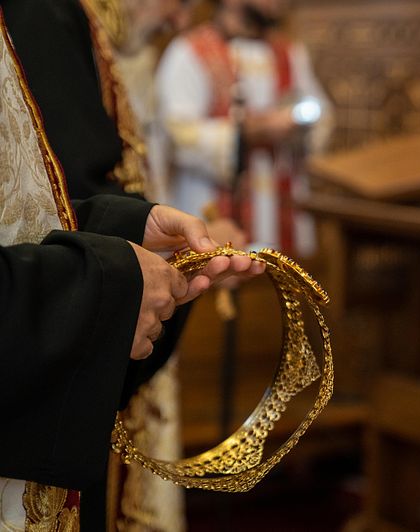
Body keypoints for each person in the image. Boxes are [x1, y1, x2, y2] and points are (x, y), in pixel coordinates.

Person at [0, 9, 265, 530]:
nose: (181, 16)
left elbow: (27, 208)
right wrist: (107, 285)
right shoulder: (43, 14)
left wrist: (129, 226)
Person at [156, 0, 334, 257]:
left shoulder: (289, 52)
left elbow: (321, 114)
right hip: (212, 201)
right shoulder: (188, 51)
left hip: (278, 201)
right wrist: (247, 132)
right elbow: (176, 134)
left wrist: (301, 125)